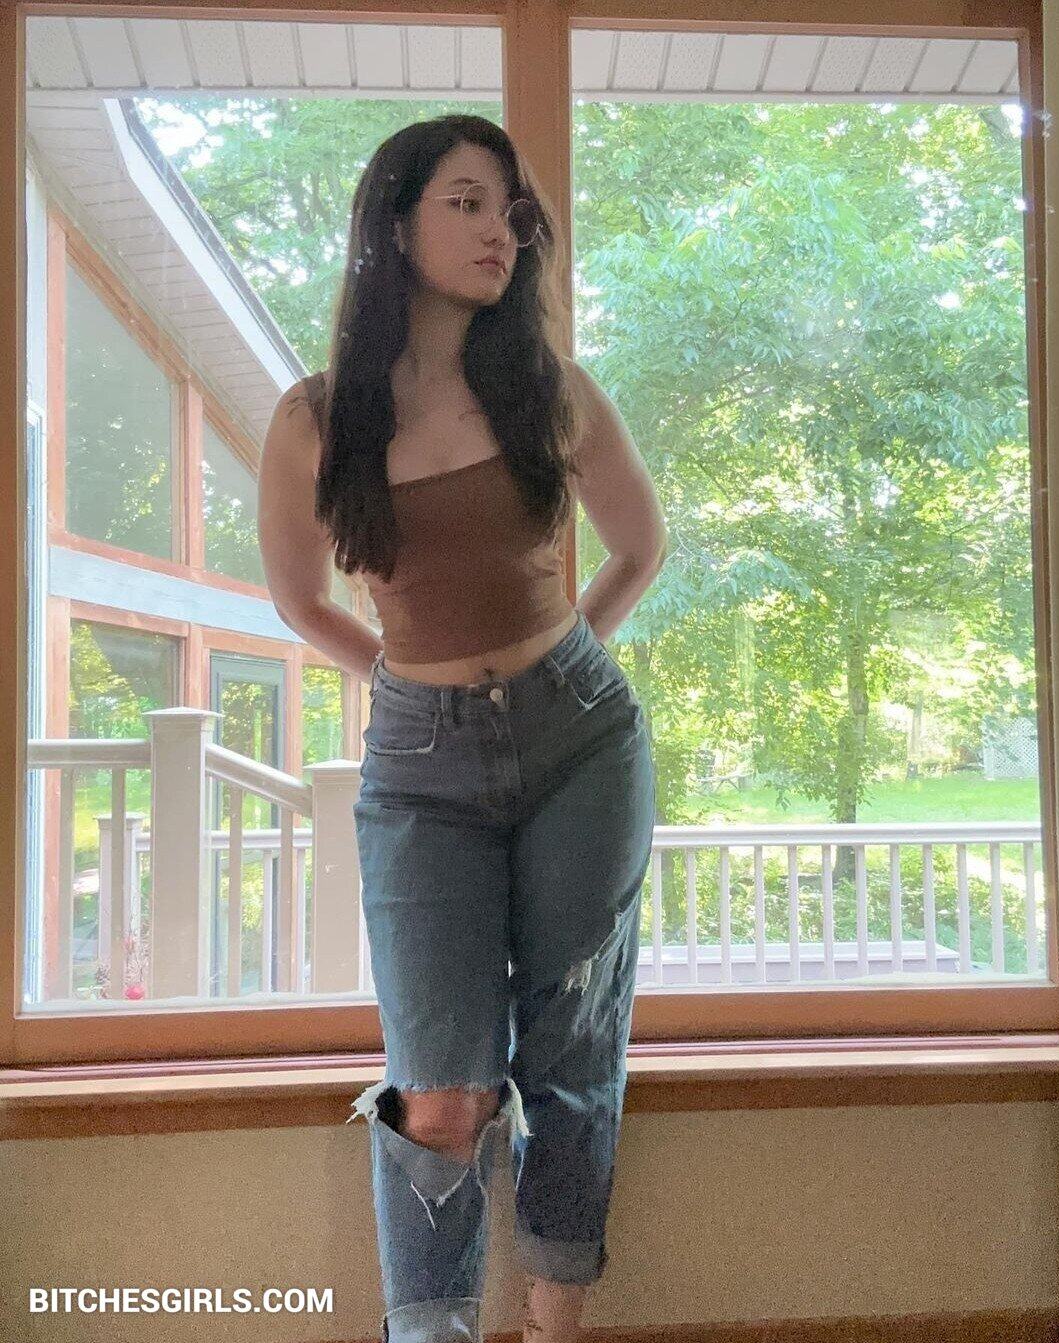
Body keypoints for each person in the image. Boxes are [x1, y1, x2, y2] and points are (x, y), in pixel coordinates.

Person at [258, 113, 666, 1343]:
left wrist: (562, 660)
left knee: (570, 1054)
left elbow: (639, 545)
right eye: (467, 203)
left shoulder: (552, 392)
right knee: (441, 1090)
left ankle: (553, 1321)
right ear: (395, 225)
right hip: (418, 767)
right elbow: (298, 601)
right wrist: (408, 683)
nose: (500, 231)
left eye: (512, 212)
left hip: (579, 743)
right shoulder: (315, 418)